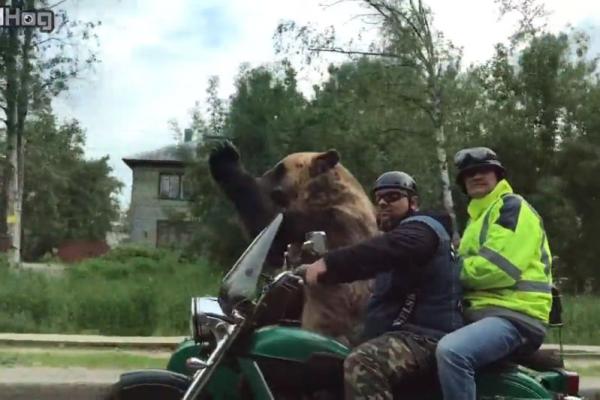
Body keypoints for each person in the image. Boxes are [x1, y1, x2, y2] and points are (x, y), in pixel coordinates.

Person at [303, 171, 463, 400]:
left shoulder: (423, 228)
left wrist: (330, 263)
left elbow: (387, 249)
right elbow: (365, 264)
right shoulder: (397, 239)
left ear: (413, 203)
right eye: (378, 199)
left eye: (393, 196)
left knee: (364, 362)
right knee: (319, 361)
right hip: (400, 334)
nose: (383, 203)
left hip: (425, 337)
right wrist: (312, 272)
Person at [435, 147, 553, 400]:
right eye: (469, 174)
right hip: (483, 313)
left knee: (453, 352)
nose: (476, 176)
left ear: (498, 176)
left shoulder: (511, 208)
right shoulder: (477, 220)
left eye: (483, 171)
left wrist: (444, 271)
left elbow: (499, 268)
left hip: (514, 316)